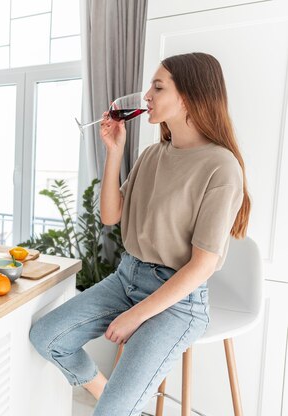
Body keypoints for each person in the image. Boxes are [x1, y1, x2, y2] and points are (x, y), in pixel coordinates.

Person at [29, 52, 250, 415]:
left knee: (112, 411)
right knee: (46, 337)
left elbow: (201, 267)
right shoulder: (151, 154)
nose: (147, 95)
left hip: (178, 302)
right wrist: (114, 151)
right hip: (126, 277)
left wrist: (136, 316)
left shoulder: (220, 167)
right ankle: (109, 397)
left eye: (158, 87)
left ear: (189, 96)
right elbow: (110, 215)